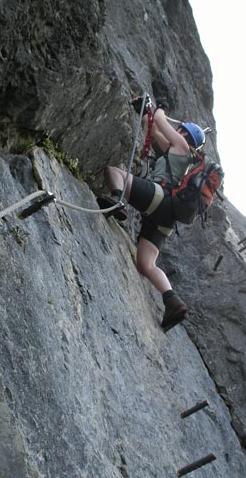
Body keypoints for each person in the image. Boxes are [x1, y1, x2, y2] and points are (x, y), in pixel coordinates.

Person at [97, 97, 206, 332]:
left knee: (113, 172)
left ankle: (117, 200)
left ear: (183, 133)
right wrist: (145, 112)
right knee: (145, 264)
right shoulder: (175, 155)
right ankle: (172, 301)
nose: (175, 132)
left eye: (179, 131)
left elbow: (158, 120)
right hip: (166, 220)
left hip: (160, 197)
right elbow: (153, 127)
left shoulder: (181, 147)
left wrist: (160, 107)